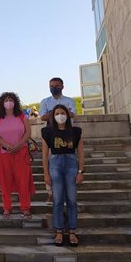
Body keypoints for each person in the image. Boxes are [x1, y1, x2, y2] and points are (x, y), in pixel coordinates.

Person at [41, 104, 85, 247]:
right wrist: (46, 173)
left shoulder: (76, 131)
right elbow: (44, 155)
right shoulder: (48, 132)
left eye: (62, 113)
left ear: (67, 115)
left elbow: (81, 153)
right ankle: (59, 230)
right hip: (56, 164)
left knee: (72, 200)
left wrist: (81, 171)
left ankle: (72, 231)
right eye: (57, 113)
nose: (60, 115)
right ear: (53, 117)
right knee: (58, 200)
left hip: (71, 164)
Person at [0, 92, 35, 219]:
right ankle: (7, 208)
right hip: (3, 153)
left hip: (21, 152)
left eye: (11, 99)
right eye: (6, 100)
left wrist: (19, 144)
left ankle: (25, 208)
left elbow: (28, 132)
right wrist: (6, 145)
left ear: (15, 102)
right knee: (5, 181)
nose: (8, 102)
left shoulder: (22, 116)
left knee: (23, 180)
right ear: (2, 103)